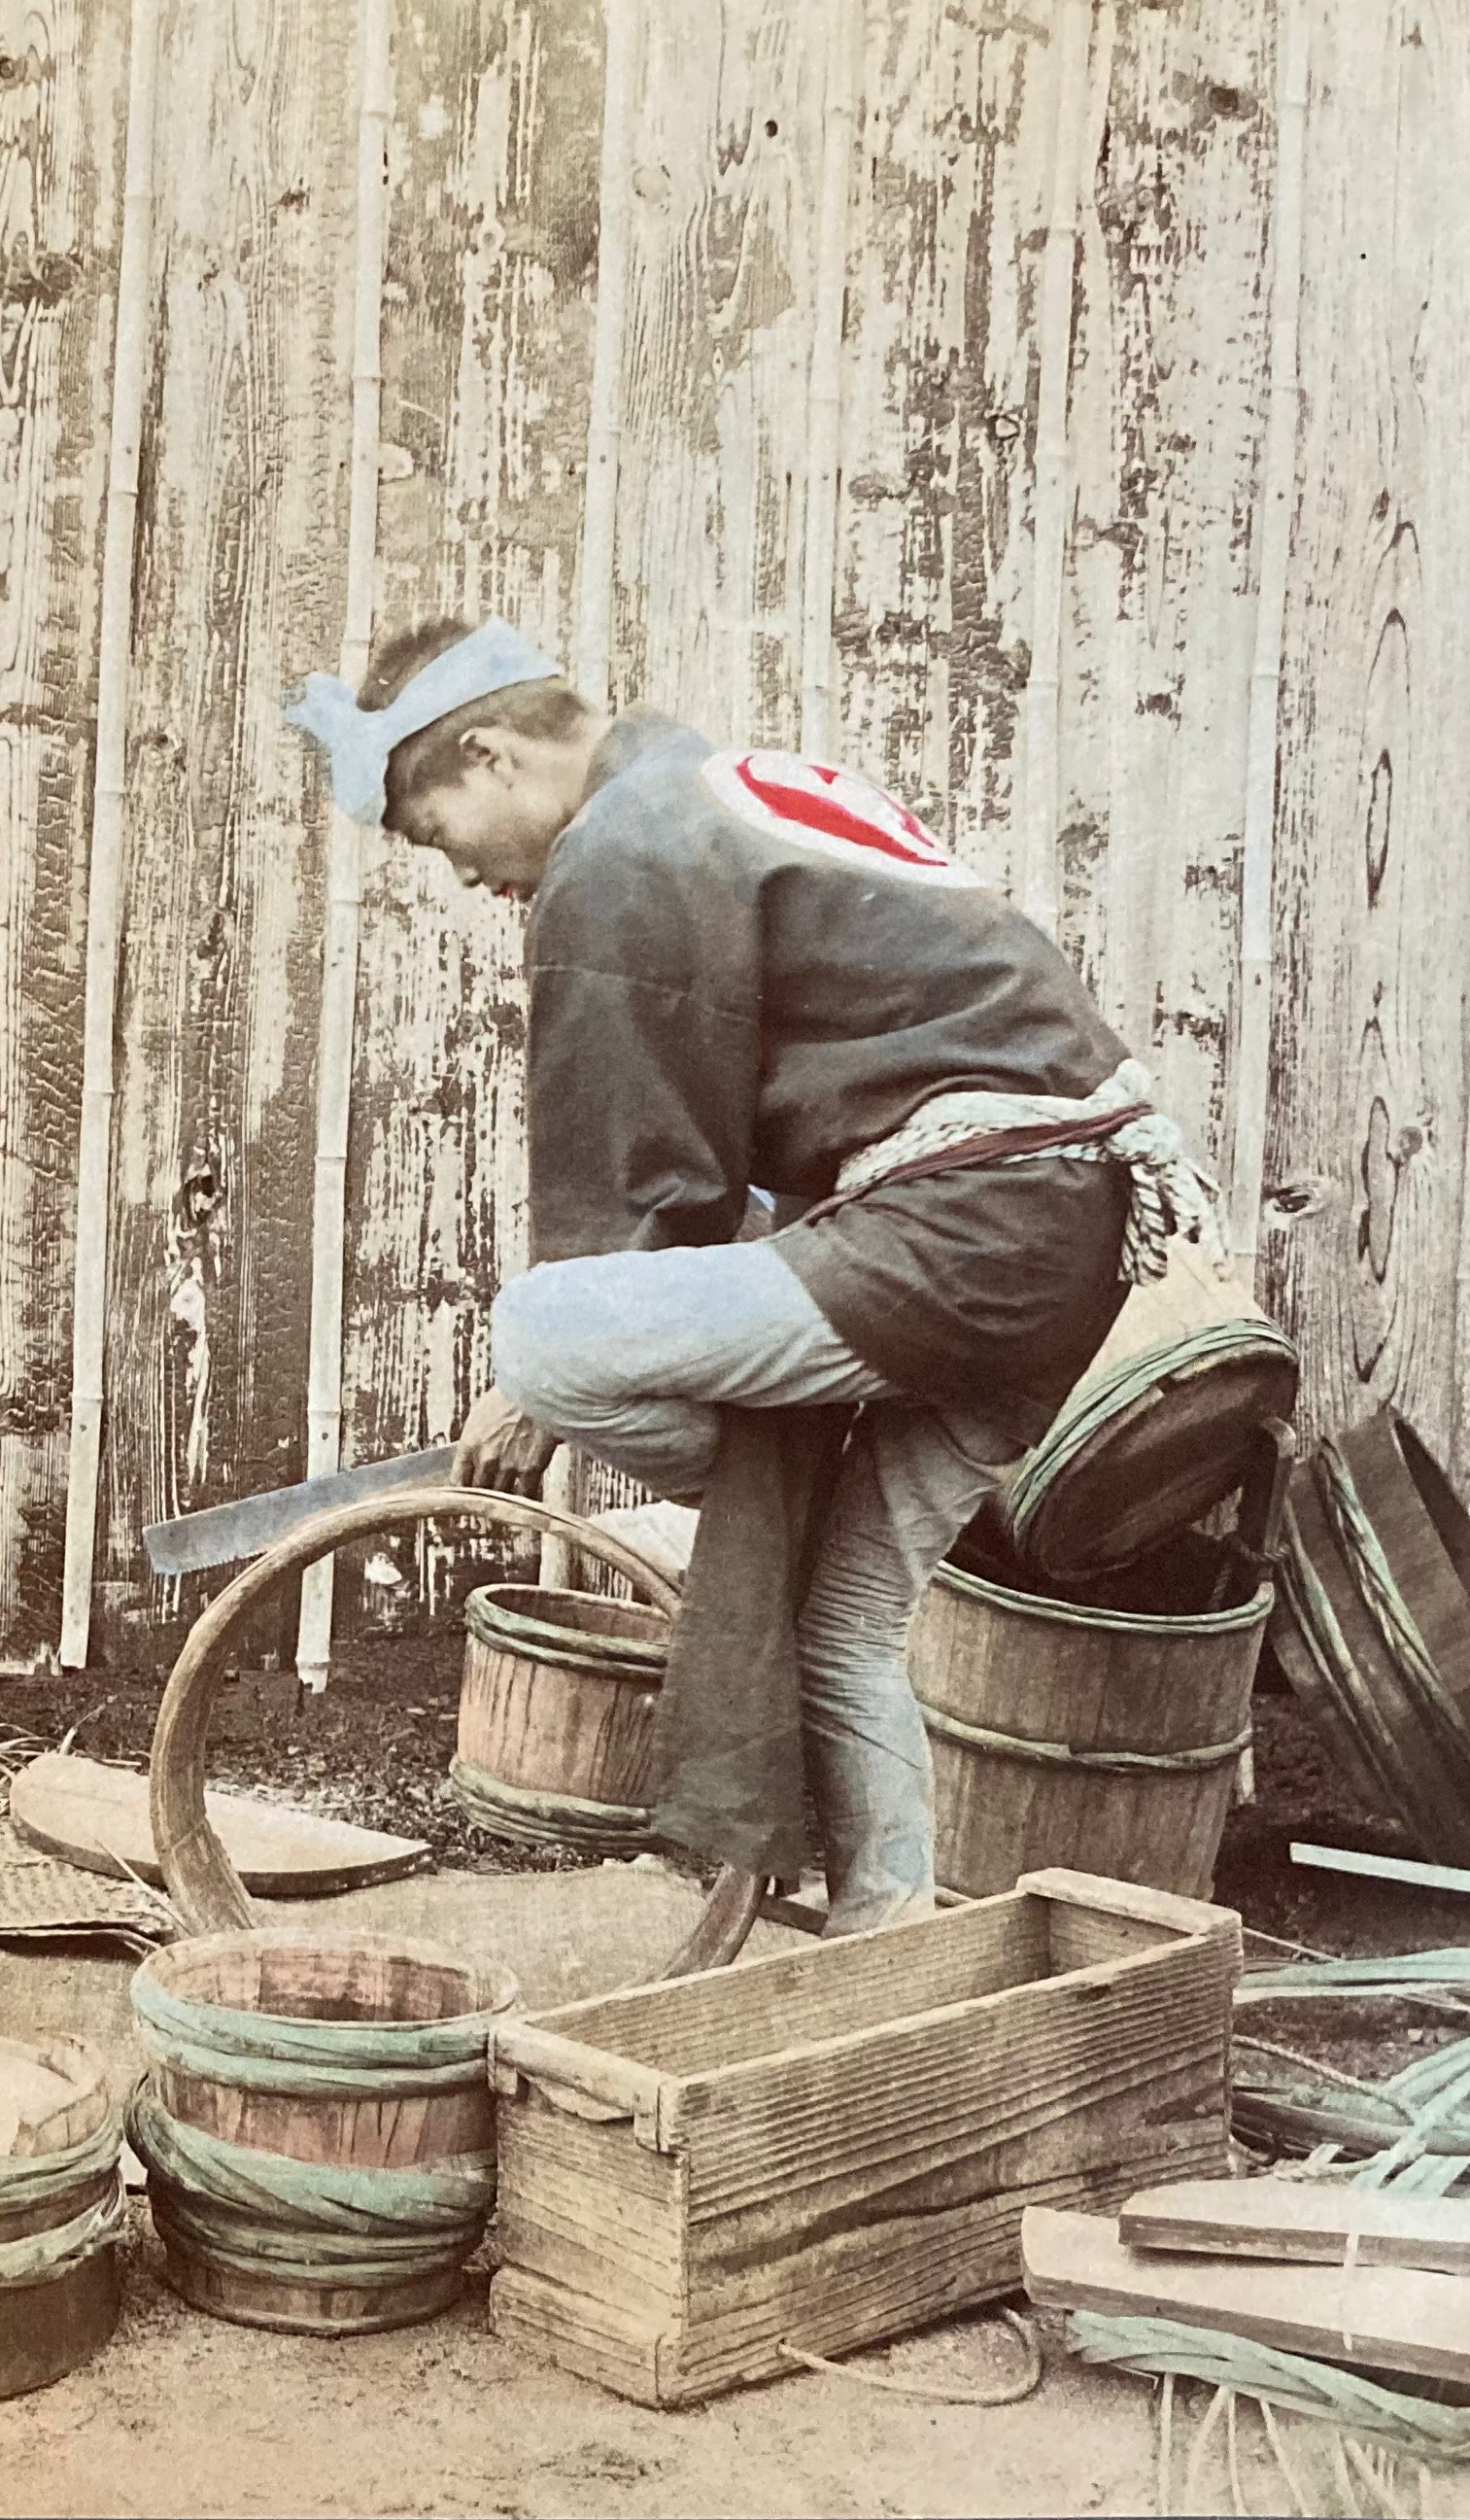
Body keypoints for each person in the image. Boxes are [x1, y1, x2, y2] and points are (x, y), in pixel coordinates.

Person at [284, 618, 1209, 1957]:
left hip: (968, 1219)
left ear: (488, 754)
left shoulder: (622, 843)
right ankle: (890, 1951)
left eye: (437, 835)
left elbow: (644, 1179)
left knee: (542, 1332)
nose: (468, 875)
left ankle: (717, 1507)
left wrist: (542, 1391)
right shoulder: (724, 785)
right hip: (1061, 1246)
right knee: (843, 1622)